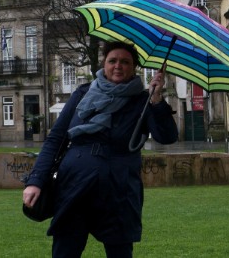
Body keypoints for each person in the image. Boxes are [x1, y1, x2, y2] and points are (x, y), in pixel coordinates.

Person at [23, 41, 178, 258]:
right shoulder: (83, 93)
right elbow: (55, 139)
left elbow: (167, 136)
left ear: (134, 67)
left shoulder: (142, 101)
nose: (118, 66)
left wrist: (156, 99)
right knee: (65, 250)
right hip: (74, 183)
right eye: (112, 60)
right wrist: (35, 181)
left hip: (119, 188)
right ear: (104, 64)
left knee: (119, 252)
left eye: (125, 62)